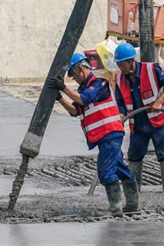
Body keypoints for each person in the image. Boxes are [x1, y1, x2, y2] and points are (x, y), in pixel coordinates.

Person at [46, 53, 139, 216]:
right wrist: (60, 97)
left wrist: (63, 88)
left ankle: (115, 208)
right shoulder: (84, 89)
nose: (74, 79)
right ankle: (132, 204)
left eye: (73, 75)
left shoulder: (99, 83)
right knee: (119, 168)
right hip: (105, 135)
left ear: (80, 68)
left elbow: (84, 100)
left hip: (109, 133)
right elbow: (75, 110)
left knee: (105, 171)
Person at [113, 42, 164, 193]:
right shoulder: (119, 78)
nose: (121, 68)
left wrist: (160, 101)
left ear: (131, 61)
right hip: (138, 123)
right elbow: (120, 101)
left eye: (122, 64)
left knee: (163, 154)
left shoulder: (151, 69)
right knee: (134, 156)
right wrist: (121, 115)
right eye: (118, 64)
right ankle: (135, 189)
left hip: (158, 120)